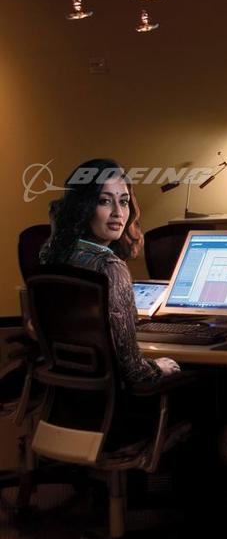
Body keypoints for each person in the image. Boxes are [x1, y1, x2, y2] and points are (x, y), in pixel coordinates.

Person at [39, 159, 180, 383]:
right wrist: (158, 367)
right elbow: (133, 370)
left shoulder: (51, 254)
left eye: (123, 202)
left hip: (71, 384)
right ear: (83, 207)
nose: (118, 213)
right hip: (115, 392)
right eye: (104, 201)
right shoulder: (110, 265)